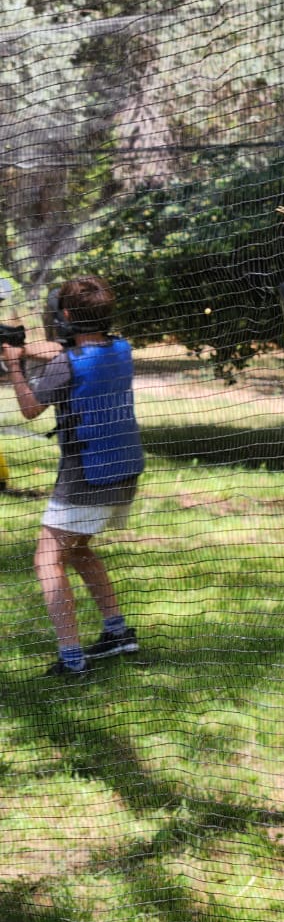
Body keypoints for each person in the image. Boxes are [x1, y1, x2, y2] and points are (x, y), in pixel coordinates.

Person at [1, 275, 144, 677]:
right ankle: (117, 632)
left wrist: (14, 366)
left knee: (47, 559)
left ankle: (71, 658)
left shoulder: (66, 364)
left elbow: (30, 408)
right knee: (78, 549)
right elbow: (67, 351)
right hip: (124, 466)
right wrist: (22, 346)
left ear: (64, 316)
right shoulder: (121, 348)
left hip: (87, 473)